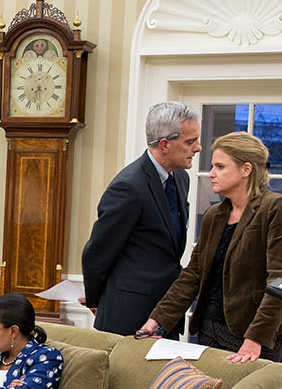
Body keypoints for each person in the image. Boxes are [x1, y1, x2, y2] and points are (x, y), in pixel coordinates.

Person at [140, 132, 282, 362]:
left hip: (253, 336)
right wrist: (157, 321)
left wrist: (255, 339)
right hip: (207, 330)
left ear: (246, 169)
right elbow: (193, 274)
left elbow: (281, 283)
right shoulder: (214, 214)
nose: (211, 173)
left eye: (220, 167)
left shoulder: (277, 209)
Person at [80, 102, 201, 336]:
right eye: (189, 141)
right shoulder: (128, 186)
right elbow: (98, 252)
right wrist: (97, 300)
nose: (198, 147)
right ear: (164, 144)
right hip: (127, 314)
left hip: (165, 312)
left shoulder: (181, 180)